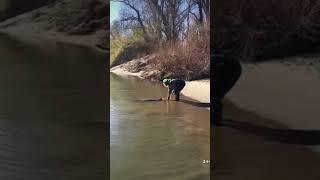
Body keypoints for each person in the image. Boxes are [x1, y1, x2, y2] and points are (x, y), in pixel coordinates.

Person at [213, 53, 242, 126]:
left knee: (215, 95)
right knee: (216, 95)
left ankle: (216, 120)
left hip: (232, 70)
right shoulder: (214, 61)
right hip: (230, 68)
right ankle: (215, 118)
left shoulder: (214, 61)